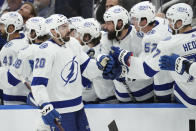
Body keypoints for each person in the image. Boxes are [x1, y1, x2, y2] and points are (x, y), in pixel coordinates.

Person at [108, 3, 196, 109]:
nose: (168, 23)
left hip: (183, 95)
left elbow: (147, 69)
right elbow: (160, 19)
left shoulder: (164, 43)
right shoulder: (162, 24)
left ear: (180, 22)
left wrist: (125, 59)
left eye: (171, 21)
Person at [30, 14, 108, 130]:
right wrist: (45, 105)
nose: (68, 30)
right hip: (60, 111)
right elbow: (38, 83)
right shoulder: (45, 50)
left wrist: (100, 65)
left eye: (67, 26)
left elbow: (86, 68)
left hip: (78, 107)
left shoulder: (74, 43)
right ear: (53, 31)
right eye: (63, 27)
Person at [129, 1, 174, 103]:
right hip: (174, 74)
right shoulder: (159, 20)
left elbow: (145, 68)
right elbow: (160, 16)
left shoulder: (151, 38)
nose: (133, 22)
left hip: (164, 81)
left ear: (144, 21)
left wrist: (127, 70)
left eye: (135, 19)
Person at [0, 11, 29, 104]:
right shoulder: (26, 38)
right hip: (28, 94)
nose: (0, 29)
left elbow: (6, 79)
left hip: (13, 96)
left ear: (11, 28)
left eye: (2, 25)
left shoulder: (8, 49)